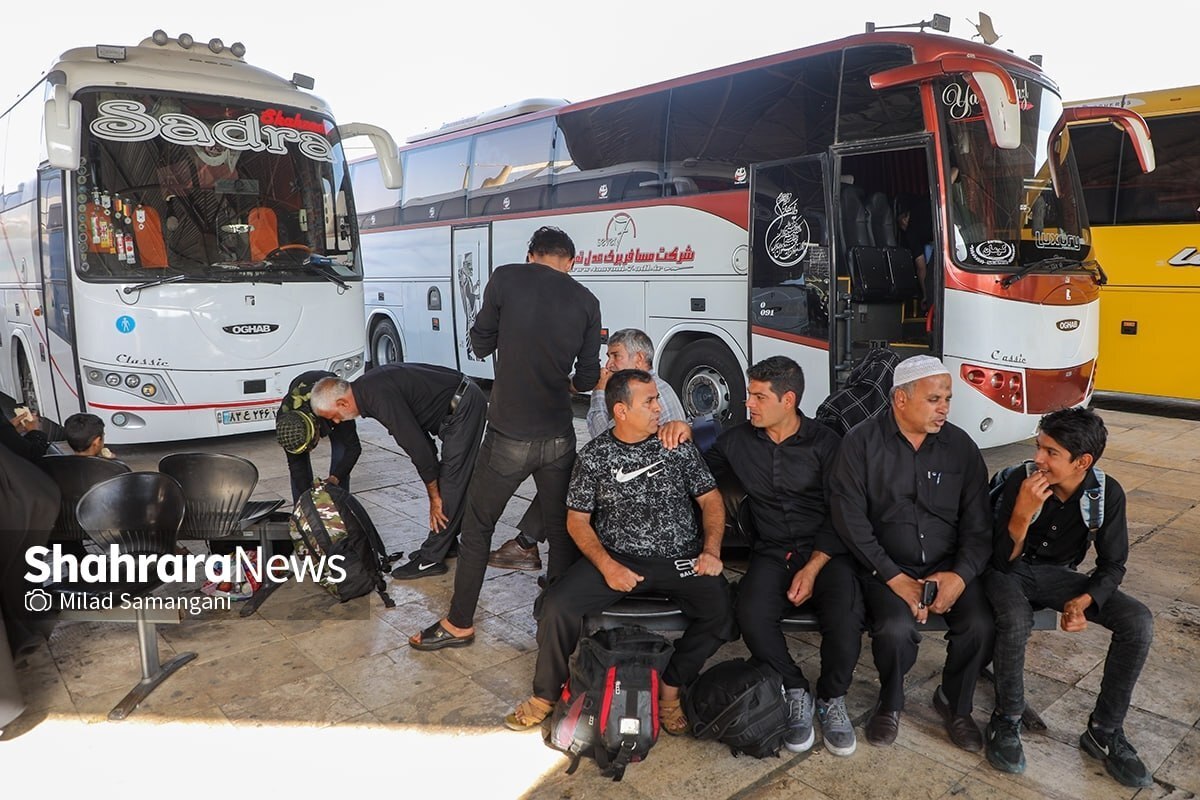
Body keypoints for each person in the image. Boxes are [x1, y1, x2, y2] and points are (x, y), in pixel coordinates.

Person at [503, 369, 734, 733]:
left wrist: (711, 551)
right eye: (650, 401)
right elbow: (577, 521)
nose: (660, 408)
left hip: (680, 558)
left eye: (657, 399)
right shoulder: (595, 456)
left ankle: (670, 690)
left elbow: (711, 500)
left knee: (722, 609)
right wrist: (607, 566)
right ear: (621, 411)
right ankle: (545, 695)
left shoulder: (675, 445)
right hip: (617, 558)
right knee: (557, 606)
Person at [409, 226, 601, 650]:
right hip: (559, 436)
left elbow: (479, 341)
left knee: (478, 529)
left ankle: (460, 623)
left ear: (531, 255)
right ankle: (558, 619)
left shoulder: (506, 277)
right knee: (562, 528)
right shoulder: (587, 301)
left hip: (509, 435)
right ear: (571, 261)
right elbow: (587, 378)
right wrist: (561, 380)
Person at [830, 354, 993, 752]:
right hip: (886, 565)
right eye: (934, 399)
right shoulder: (861, 443)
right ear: (900, 400)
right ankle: (891, 701)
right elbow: (850, 520)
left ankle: (955, 704)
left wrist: (959, 576)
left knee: (980, 625)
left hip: (947, 566)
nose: (945, 409)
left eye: (948, 399)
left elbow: (979, 525)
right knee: (894, 629)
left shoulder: (961, 447)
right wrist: (894, 577)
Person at [984, 407, 1154, 788]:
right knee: (1014, 618)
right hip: (1008, 570)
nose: (1038, 459)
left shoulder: (1105, 493)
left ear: (1083, 462)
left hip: (1059, 575)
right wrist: (1021, 517)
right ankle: (1007, 718)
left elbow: (1113, 564)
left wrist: (1087, 599)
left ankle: (1104, 730)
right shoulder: (1020, 481)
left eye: (1051, 452)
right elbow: (997, 561)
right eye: (1038, 447)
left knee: (1137, 621)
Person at [704, 355, 863, 756]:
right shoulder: (736, 440)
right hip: (773, 550)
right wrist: (678, 431)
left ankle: (831, 698)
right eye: (749, 394)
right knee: (751, 614)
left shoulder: (826, 443)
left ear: (788, 399)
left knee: (846, 618)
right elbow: (696, 466)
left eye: (758, 396)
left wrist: (813, 567)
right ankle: (794, 687)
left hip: (826, 550)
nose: (748, 404)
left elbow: (842, 511)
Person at [488, 327, 688, 572]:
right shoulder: (646, 387)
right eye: (608, 356)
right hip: (640, 470)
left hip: (648, 482)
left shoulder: (649, 394)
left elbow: (601, 441)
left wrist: (599, 391)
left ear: (638, 359)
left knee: (565, 476)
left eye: (615, 356)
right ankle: (530, 546)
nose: (609, 363)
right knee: (567, 472)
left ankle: (531, 548)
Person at [310, 362, 486, 579]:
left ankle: (431, 559)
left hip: (464, 406)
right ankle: (446, 544)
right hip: (457, 401)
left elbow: (417, 448)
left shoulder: (377, 398)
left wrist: (434, 497)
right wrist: (432, 473)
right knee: (444, 479)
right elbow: (418, 438)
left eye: (333, 416)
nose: (337, 422)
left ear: (342, 402)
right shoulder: (368, 389)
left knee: (451, 484)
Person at [276, 370, 362, 503]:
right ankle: (302, 508)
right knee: (299, 468)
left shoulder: (335, 405)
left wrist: (335, 478)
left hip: (328, 391)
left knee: (342, 455)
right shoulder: (286, 425)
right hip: (300, 387)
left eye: (310, 446)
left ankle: (340, 504)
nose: (310, 451)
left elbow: (354, 448)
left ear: (316, 430)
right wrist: (308, 498)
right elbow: (296, 466)